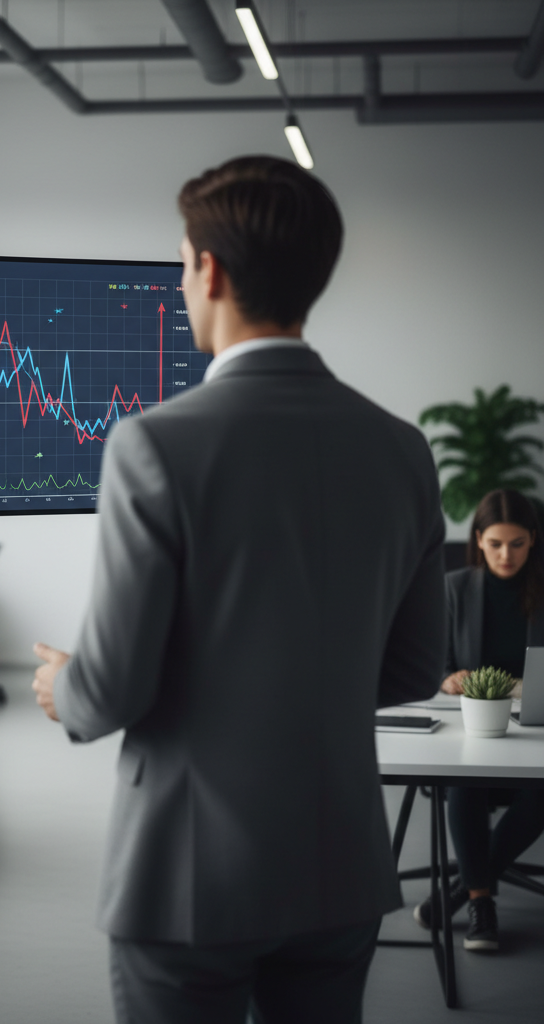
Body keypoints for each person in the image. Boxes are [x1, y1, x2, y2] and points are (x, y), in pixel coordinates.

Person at [31, 156, 444, 1024]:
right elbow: (412, 670)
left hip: (191, 879)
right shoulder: (401, 448)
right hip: (340, 870)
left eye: (182, 264)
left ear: (209, 270)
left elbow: (109, 691)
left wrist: (59, 685)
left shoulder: (156, 445)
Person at [414, 489, 544, 950]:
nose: (506, 555)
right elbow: (434, 664)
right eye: (495, 544)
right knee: (465, 779)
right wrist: (447, 679)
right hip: (471, 729)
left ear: (533, 540)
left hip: (533, 732)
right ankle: (481, 906)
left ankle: (459, 894)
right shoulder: (454, 588)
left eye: (517, 544)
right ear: (478, 540)